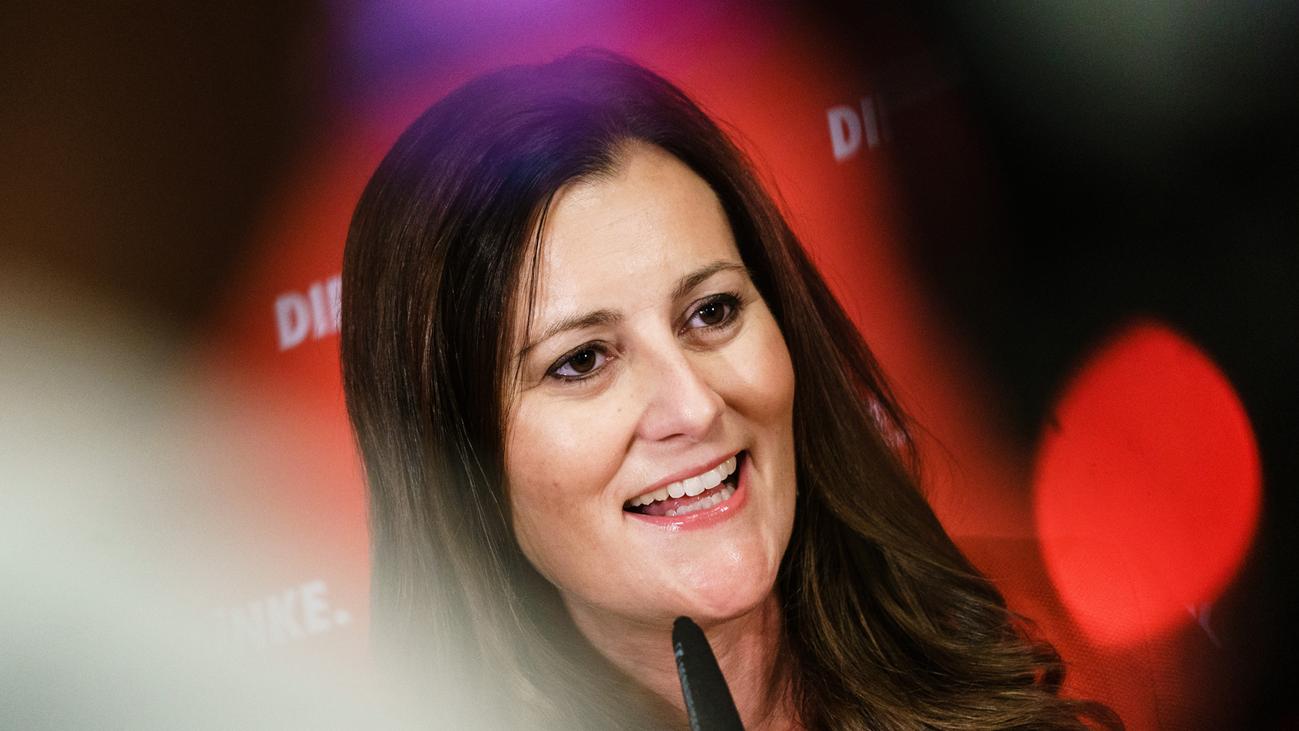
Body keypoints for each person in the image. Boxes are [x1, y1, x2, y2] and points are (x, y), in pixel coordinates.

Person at [340, 49, 1119, 730]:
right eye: (581, 361)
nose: (695, 404)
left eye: (711, 312)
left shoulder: (1054, 640)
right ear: (450, 452)